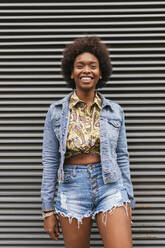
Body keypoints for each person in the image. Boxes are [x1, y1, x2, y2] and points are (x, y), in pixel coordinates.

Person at [41, 36, 135, 248]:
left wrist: (129, 199)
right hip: (72, 188)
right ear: (71, 72)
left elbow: (122, 156)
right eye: (79, 66)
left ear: (101, 73)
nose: (86, 70)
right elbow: (49, 160)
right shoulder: (55, 112)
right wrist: (47, 210)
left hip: (110, 186)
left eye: (93, 66)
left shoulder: (114, 111)